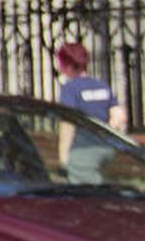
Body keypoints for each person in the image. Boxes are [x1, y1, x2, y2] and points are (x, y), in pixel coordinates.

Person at [55, 40, 130, 179]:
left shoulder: (70, 89)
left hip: (82, 150)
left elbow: (68, 124)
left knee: (86, 196)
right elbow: (119, 117)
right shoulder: (102, 86)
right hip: (105, 149)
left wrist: (63, 159)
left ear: (67, 65)